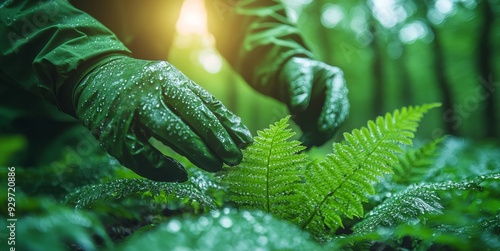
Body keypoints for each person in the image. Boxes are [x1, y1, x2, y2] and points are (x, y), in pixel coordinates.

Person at [0, 0, 349, 182]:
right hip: (16, 97)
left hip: (119, 110)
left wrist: (286, 56)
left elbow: (242, 6)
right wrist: (87, 65)